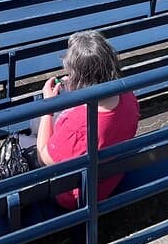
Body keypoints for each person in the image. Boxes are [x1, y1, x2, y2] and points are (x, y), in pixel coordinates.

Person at [36, 31, 139, 210]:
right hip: (111, 175)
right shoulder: (128, 96)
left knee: (25, 138)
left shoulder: (80, 125)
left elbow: (43, 157)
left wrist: (48, 108)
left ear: (79, 76)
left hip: (80, 194)